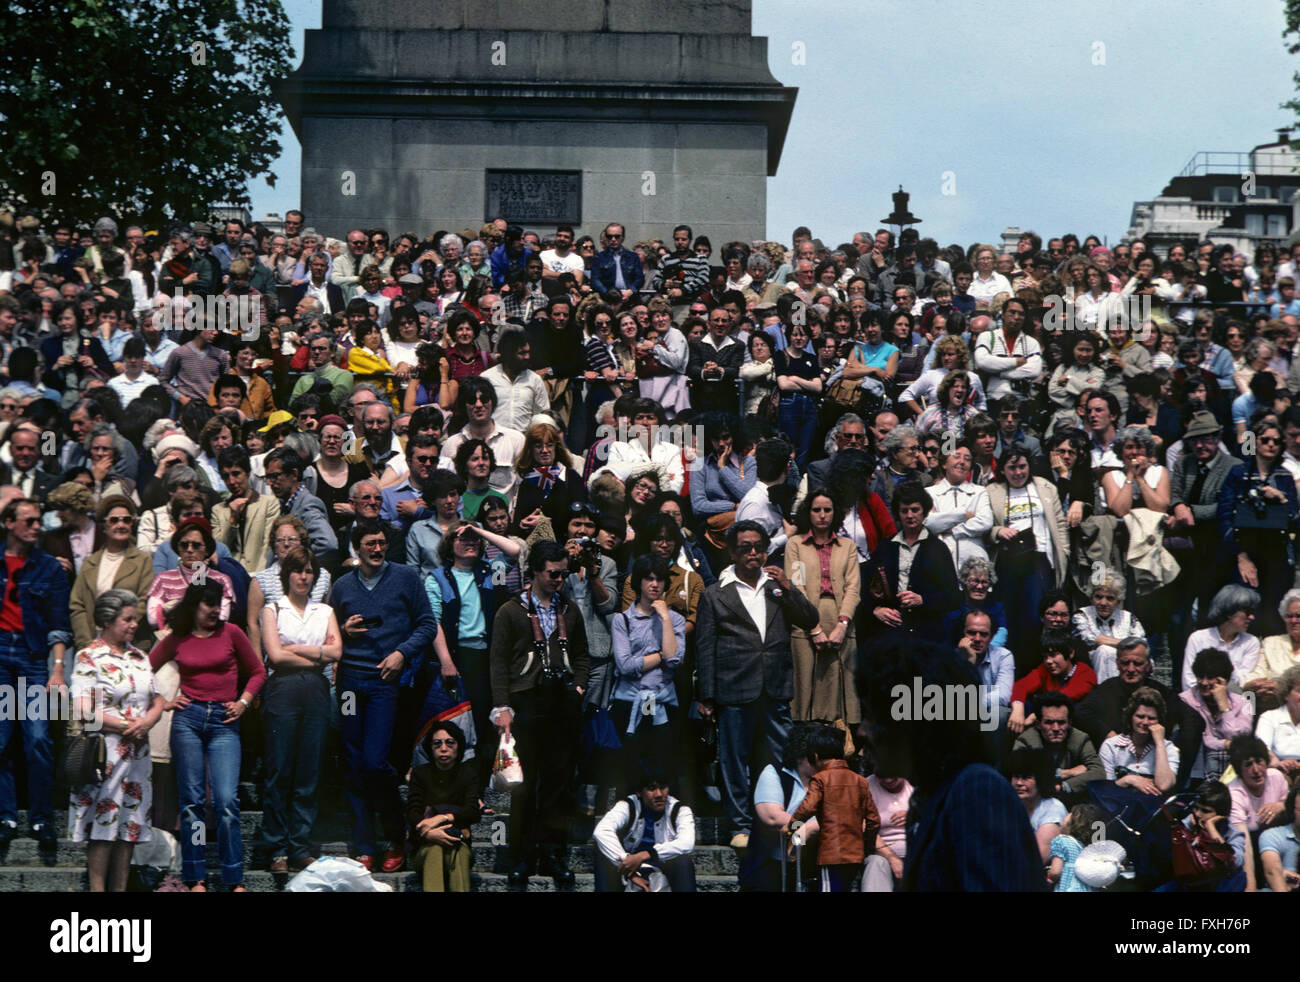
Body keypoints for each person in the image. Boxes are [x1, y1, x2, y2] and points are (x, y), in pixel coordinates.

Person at [857, 634, 1047, 890]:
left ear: (914, 722)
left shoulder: (977, 792)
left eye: (873, 716)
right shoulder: (930, 798)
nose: (862, 731)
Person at [695, 521, 819, 850]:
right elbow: (705, 648)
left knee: (783, 757)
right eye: (745, 547)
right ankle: (740, 825)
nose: (753, 553)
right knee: (734, 760)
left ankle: (787, 817)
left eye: (759, 547)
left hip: (775, 686)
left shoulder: (776, 587)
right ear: (732, 551)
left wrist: (789, 588)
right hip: (733, 687)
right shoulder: (715, 593)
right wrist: (706, 695)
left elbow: (810, 620)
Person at [330, 520, 437, 872]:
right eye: (369, 544)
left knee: (375, 760)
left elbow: (427, 625)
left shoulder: (406, 578)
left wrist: (401, 654)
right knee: (354, 761)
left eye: (381, 543)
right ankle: (364, 844)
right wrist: (344, 631)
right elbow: (330, 634)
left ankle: (396, 833)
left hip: (383, 682)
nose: (376, 549)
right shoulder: (343, 585)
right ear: (356, 548)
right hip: (349, 682)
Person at [148, 579, 265, 890]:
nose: (215, 610)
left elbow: (258, 671)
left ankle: (233, 877)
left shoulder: (232, 633)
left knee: (226, 800)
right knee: (192, 803)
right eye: (208, 604)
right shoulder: (178, 638)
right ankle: (195, 875)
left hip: (224, 722)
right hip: (188, 719)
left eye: (218, 603)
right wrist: (165, 701)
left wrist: (243, 702)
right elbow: (144, 669)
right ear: (194, 606)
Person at [490, 540, 589, 888]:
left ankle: (553, 855)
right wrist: (502, 707)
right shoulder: (510, 611)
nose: (559, 579)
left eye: (563, 573)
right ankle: (520, 857)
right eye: (552, 573)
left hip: (563, 703)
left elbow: (581, 655)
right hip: (526, 701)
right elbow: (498, 662)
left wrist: (578, 686)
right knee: (524, 786)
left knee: (558, 786)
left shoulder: (570, 610)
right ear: (534, 571)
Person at [68, 589, 164, 891]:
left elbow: (158, 699)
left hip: (137, 755)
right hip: (105, 755)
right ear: (108, 621)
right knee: (103, 826)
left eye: (135, 619)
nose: (134, 624)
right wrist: (125, 725)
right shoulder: (89, 657)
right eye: (128, 619)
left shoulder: (140, 657)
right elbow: (82, 708)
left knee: (130, 827)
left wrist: (147, 720)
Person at [259, 547, 342, 874]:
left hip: (317, 691)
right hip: (283, 689)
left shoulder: (324, 611)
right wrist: (317, 653)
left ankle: (299, 845)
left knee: (308, 771)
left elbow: (336, 651)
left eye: (309, 571)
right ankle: (276, 848)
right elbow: (275, 658)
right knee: (280, 769)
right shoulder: (273, 609)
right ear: (287, 575)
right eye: (298, 571)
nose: (304, 577)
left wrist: (298, 649)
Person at [0, 496, 71, 851]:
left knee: (38, 739)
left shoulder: (49, 567)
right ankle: (6, 816)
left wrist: (56, 669)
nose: (35, 526)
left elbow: (59, 624)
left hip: (31, 657)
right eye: (27, 521)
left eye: (38, 521)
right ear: (9, 523)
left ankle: (43, 818)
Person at [423, 520, 500, 791]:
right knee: (454, 726)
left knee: (484, 723)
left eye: (474, 540)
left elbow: (515, 552)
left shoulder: (491, 572)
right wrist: (446, 660)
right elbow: (434, 623)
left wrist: (478, 530)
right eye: (462, 538)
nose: (470, 543)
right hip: (457, 656)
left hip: (486, 657)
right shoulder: (438, 578)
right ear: (449, 545)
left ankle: (477, 792)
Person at [784, 490, 860, 725]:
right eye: (816, 510)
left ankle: (841, 753)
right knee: (806, 690)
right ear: (808, 513)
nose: (822, 515)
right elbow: (796, 588)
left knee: (841, 693)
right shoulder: (795, 544)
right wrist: (814, 628)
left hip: (841, 620)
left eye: (827, 510)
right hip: (806, 622)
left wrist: (842, 625)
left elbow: (853, 588)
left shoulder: (847, 546)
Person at [1218, 418, 1299, 637]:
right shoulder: (1238, 474)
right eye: (1265, 440)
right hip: (1245, 553)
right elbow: (1225, 516)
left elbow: (1295, 519)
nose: (1271, 444)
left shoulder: (1284, 477)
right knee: (1245, 610)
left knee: (1273, 613)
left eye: (1276, 440)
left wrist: (1282, 499)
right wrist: (1241, 556)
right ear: (1255, 442)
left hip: (1276, 555)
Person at [986, 444, 1068, 656]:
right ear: (1002, 469)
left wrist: (1063, 555)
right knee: (1009, 618)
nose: (1018, 473)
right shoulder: (992, 491)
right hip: (1008, 560)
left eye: (1022, 466)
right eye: (1012, 468)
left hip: (1039, 558)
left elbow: (1059, 525)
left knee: (1034, 617)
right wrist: (998, 531)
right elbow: (984, 527)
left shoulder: (1045, 487)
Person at [611, 555, 686, 783]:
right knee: (631, 768)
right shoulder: (622, 620)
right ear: (639, 583)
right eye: (649, 579)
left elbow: (675, 659)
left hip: (662, 700)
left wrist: (664, 619)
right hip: (629, 700)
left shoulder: (674, 620)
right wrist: (660, 655)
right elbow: (625, 665)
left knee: (662, 768)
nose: (655, 584)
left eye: (660, 580)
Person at [861, 483, 961, 643]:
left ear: (925, 512)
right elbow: (864, 588)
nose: (909, 515)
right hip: (890, 633)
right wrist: (876, 610)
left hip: (926, 633)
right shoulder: (885, 547)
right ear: (897, 513)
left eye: (915, 510)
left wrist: (923, 600)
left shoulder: (938, 548)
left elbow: (953, 597)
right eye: (904, 510)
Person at [786, 725, 881, 892]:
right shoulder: (860, 781)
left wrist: (792, 826)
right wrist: (866, 847)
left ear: (815, 756)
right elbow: (874, 820)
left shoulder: (820, 779)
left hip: (831, 854)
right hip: (855, 856)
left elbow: (806, 809)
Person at [593, 768, 697, 893]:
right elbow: (601, 831)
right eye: (651, 788)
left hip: (664, 866)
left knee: (683, 861)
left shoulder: (680, 810)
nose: (659, 794)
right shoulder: (628, 806)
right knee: (602, 852)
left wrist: (645, 855)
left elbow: (687, 843)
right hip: (627, 867)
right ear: (639, 792)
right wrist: (629, 867)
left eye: (663, 787)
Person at [406, 720, 480, 893]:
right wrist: (429, 833)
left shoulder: (468, 773)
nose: (444, 748)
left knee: (458, 851)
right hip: (424, 847)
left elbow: (473, 812)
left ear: (458, 746)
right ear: (430, 748)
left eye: (450, 742)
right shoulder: (420, 774)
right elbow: (412, 812)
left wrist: (443, 818)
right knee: (435, 849)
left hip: (457, 842)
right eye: (437, 743)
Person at [1013, 691, 1105, 804]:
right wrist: (1067, 773)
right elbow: (1019, 775)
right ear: (1038, 724)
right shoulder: (1026, 740)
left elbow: (1099, 772)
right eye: (1049, 722)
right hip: (1034, 802)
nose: (1056, 728)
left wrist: (1063, 787)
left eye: (1061, 722)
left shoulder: (1080, 739)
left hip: (1072, 802)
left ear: (1070, 723)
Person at [1180, 648, 1254, 782]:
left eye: (1210, 678)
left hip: (1231, 764)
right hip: (1197, 763)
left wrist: (1223, 704)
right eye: (1200, 677)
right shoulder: (1186, 700)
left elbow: (1240, 738)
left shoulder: (1243, 703)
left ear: (1223, 680)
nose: (1203, 682)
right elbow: (1202, 740)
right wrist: (1225, 744)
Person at [1008, 632, 1097, 735]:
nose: (1048, 661)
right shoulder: (1044, 670)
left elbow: (1063, 696)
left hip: (1073, 729)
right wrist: (1018, 709)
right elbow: (1021, 686)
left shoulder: (1086, 673)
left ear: (1071, 653)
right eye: (1045, 657)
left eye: (1053, 655)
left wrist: (1036, 715)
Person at [1181, 584, 1263, 693]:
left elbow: (1242, 683)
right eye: (1247, 612)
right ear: (1229, 612)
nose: (1252, 617)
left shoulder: (1251, 642)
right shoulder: (1198, 638)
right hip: (1197, 701)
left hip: (1233, 701)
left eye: (1253, 612)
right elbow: (1188, 681)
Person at [1098, 686, 1179, 796]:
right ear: (1131, 717)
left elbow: (1164, 785)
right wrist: (1129, 779)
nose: (1145, 722)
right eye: (1140, 716)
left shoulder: (1168, 748)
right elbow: (1105, 790)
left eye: (1151, 718)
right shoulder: (1111, 745)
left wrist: (1160, 743)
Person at [1073, 569, 1146, 683]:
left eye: (1110, 598)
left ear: (1118, 601)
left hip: (1127, 668)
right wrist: (1126, 644)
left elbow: (1141, 645)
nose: (1103, 603)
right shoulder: (1082, 615)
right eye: (1098, 596)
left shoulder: (1129, 618)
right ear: (1091, 597)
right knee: (1104, 650)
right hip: (1090, 671)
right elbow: (1090, 638)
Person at [1007, 747, 1067, 864]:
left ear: (1041, 780)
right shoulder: (1012, 805)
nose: (1019, 783)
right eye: (1016, 776)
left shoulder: (1052, 809)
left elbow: (1039, 858)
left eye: (1026, 777)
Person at [1048, 804, 1105, 892]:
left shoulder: (1061, 841)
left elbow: (1055, 871)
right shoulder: (1087, 847)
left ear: (1073, 822)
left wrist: (1048, 880)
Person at [1255, 665, 1300, 774]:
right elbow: (1262, 748)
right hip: (1277, 768)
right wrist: (1276, 763)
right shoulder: (1270, 717)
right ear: (1286, 695)